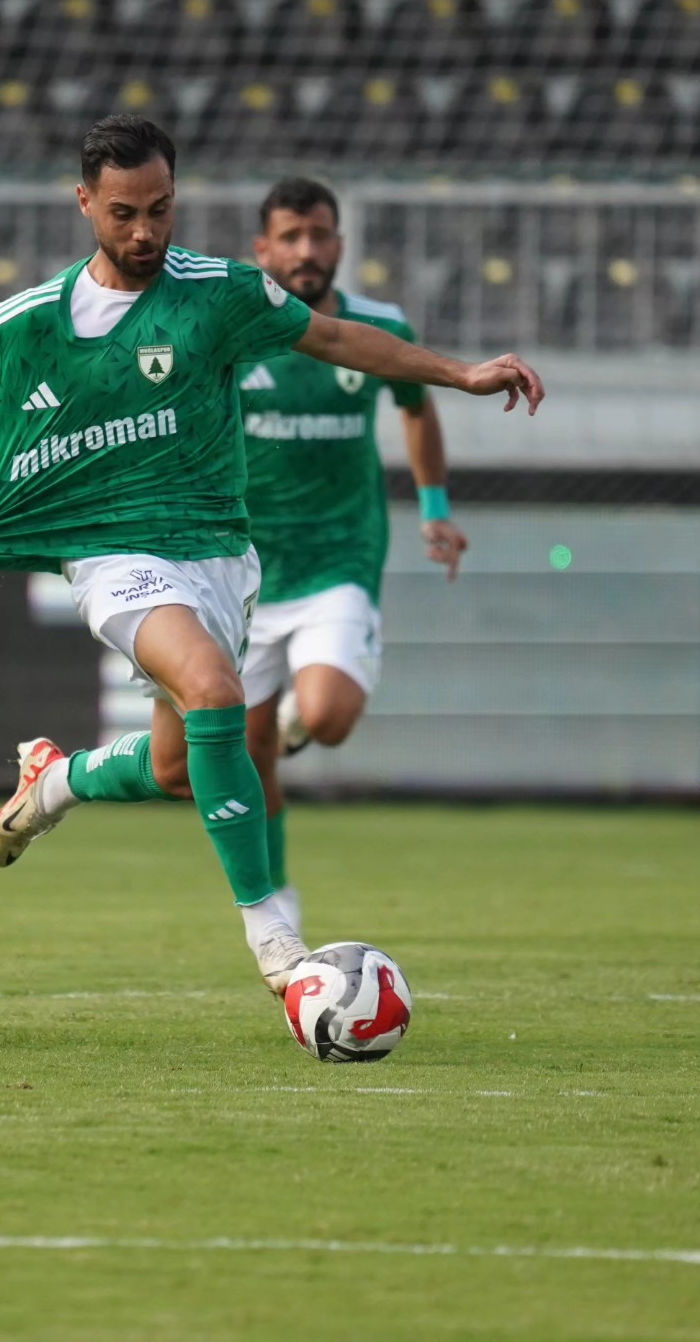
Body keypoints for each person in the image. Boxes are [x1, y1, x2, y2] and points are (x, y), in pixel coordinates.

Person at [0, 114, 542, 997]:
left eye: (159, 209)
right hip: (110, 552)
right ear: (85, 203)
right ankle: (276, 940)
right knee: (218, 693)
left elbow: (337, 338)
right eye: (124, 213)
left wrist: (461, 373)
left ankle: (57, 781)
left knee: (176, 767)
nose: (145, 231)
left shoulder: (220, 293)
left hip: (219, 555)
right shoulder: (31, 321)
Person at [238, 177, 468, 934]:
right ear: (263, 249)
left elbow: (416, 407)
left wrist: (434, 507)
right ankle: (274, 894)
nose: (307, 250)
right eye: (291, 237)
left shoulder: (377, 325)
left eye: (320, 235)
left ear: (339, 244)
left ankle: (304, 713)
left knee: (330, 717)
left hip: (341, 556)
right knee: (247, 752)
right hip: (244, 571)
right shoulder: (237, 331)